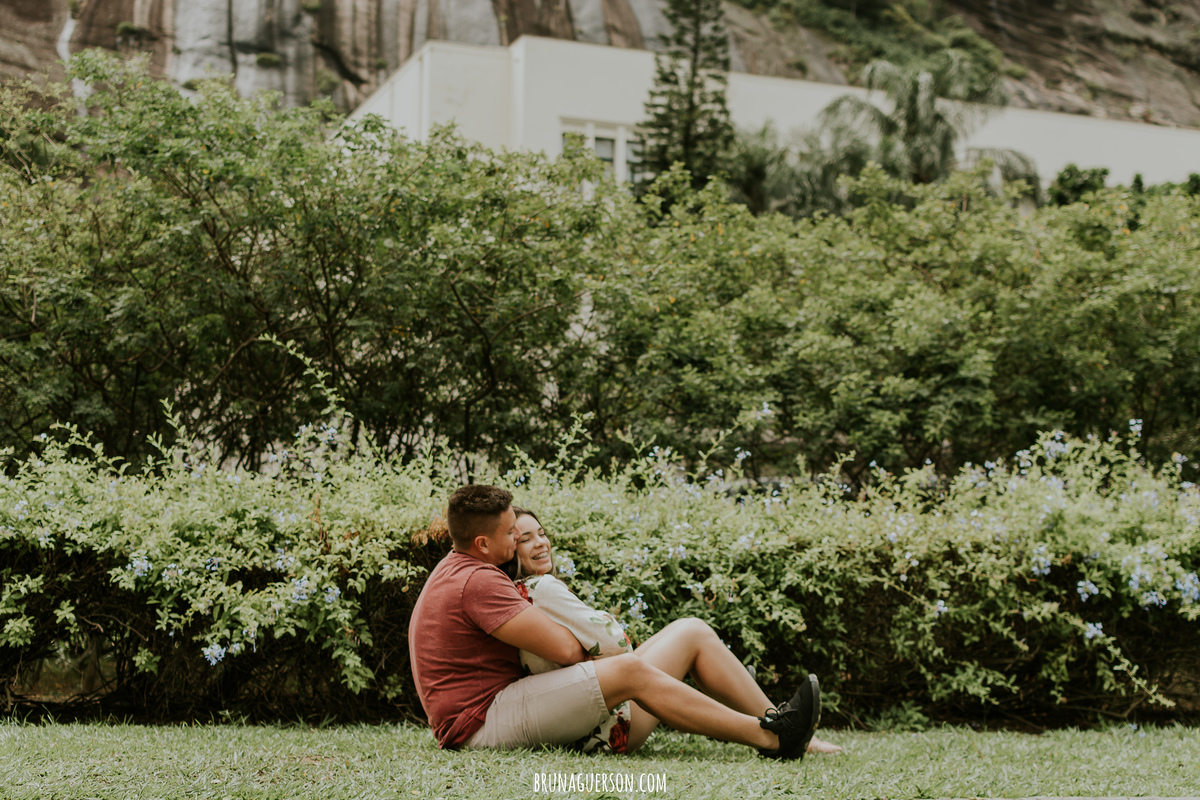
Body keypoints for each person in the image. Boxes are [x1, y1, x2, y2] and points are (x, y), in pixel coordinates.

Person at [408, 484, 822, 759]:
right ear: (483, 543)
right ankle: (771, 737)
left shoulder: (461, 566)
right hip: (478, 723)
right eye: (512, 534)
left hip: (492, 708)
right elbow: (568, 650)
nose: (520, 539)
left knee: (691, 630)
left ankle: (781, 722)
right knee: (627, 668)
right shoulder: (478, 580)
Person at [505, 506, 841, 756]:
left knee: (689, 631)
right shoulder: (541, 588)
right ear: (510, 549)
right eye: (526, 539)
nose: (541, 543)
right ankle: (782, 728)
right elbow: (616, 643)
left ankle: (762, 711)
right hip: (609, 727)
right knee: (692, 632)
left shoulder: (517, 594)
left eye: (542, 533)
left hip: (585, 721)